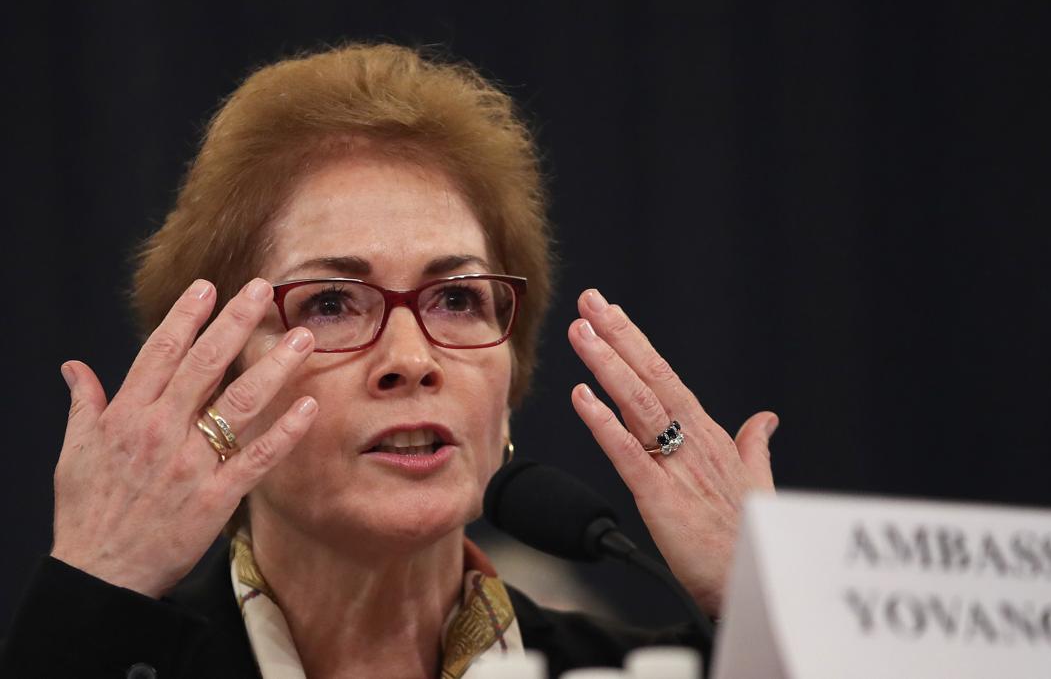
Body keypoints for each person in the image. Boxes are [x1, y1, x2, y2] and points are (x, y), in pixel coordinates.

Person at [0, 43, 778, 678]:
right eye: (332, 303)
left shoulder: (640, 673)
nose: (411, 361)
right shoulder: (106, 665)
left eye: (457, 300)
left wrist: (769, 615)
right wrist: (95, 594)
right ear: (220, 377)